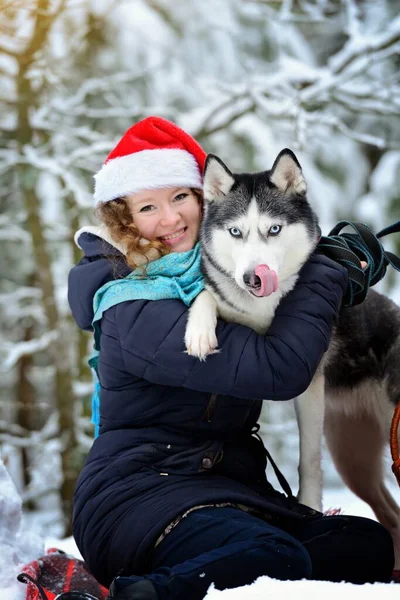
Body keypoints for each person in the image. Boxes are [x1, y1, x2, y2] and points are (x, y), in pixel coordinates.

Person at [68, 116, 395, 600]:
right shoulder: (130, 305)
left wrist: (316, 261)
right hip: (138, 496)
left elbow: (276, 279)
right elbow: (277, 369)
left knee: (364, 545)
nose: (171, 218)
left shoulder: (222, 277)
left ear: (206, 200)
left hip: (223, 489)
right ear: (126, 219)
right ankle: (131, 595)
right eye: (148, 206)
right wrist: (326, 273)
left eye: (181, 197)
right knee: (272, 557)